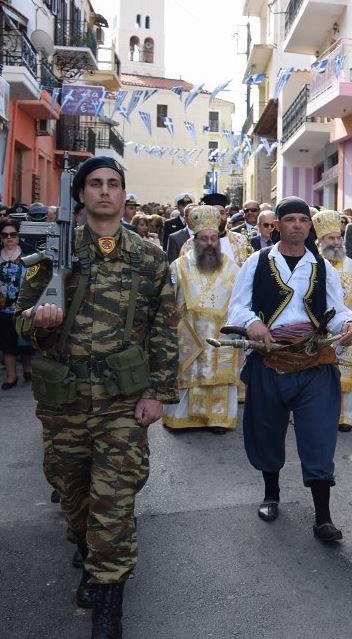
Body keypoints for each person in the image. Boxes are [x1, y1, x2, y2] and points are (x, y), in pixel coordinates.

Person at [15, 156, 178, 639]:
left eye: (113, 184)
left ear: (124, 195)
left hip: (121, 400)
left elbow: (166, 331)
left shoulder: (148, 258)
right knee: (71, 492)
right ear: (81, 194)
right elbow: (20, 320)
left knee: (114, 500)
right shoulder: (54, 251)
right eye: (95, 184)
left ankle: (109, 601)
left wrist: (158, 394)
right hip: (63, 397)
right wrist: (38, 320)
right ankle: (89, 555)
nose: (105, 191)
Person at [227, 196, 352, 541]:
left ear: (309, 226)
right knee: (267, 431)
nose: (297, 225)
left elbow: (337, 310)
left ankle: (323, 517)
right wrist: (252, 324)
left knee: (318, 437)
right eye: (290, 220)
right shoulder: (256, 263)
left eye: (303, 219)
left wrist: (348, 326)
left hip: (314, 362)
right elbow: (237, 309)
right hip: (269, 360)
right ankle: (271, 495)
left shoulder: (321, 266)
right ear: (277, 226)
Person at [165, 205, 241, 434]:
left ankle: (217, 419)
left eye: (214, 238)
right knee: (190, 374)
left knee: (219, 375)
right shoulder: (178, 266)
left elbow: (239, 299)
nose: (210, 243)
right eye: (204, 238)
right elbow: (168, 301)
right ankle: (182, 418)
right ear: (195, 239)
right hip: (189, 331)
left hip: (221, 333)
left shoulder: (231, 267)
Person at [313, 210, 352, 432]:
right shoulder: (311, 263)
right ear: (320, 241)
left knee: (345, 370)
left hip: (346, 330)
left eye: (338, 237)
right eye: (330, 238)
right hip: (318, 330)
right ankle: (319, 413)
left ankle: (346, 416)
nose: (335, 242)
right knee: (317, 374)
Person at [0, 218, 33, 388]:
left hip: (24, 305)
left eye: (12, 234)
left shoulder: (29, 254)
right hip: (3, 307)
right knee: (7, 343)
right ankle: (11, 377)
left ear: (18, 235)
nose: (9, 238)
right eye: (5, 235)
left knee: (25, 339)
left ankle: (28, 369)